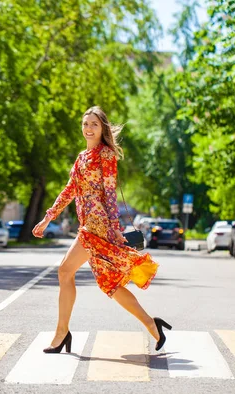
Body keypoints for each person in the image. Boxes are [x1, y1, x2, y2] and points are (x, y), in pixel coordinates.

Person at [33, 106, 171, 354]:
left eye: (94, 124)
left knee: (65, 271)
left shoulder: (105, 155)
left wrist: (116, 228)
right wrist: (47, 218)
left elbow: (109, 194)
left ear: (103, 128)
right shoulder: (81, 157)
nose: (88, 128)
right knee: (111, 286)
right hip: (88, 224)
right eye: (85, 123)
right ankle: (153, 325)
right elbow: (69, 190)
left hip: (97, 226)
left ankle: (61, 333)